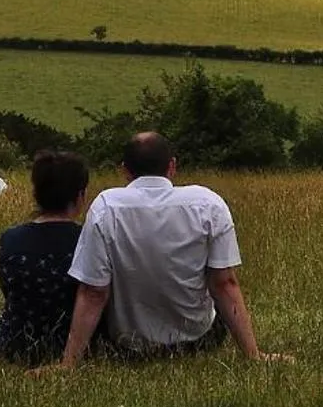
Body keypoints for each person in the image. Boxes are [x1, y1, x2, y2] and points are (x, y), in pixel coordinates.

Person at [51, 132, 284, 366]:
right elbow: (224, 284)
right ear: (172, 166)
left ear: (125, 170)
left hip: (128, 344)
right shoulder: (208, 203)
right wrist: (253, 355)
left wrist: (68, 364)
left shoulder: (106, 206)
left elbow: (94, 292)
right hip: (199, 339)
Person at [0, 150, 92, 365]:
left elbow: (9, 291)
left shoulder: (10, 239)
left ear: (36, 192)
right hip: (72, 344)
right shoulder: (89, 240)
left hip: (14, 344)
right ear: (80, 196)